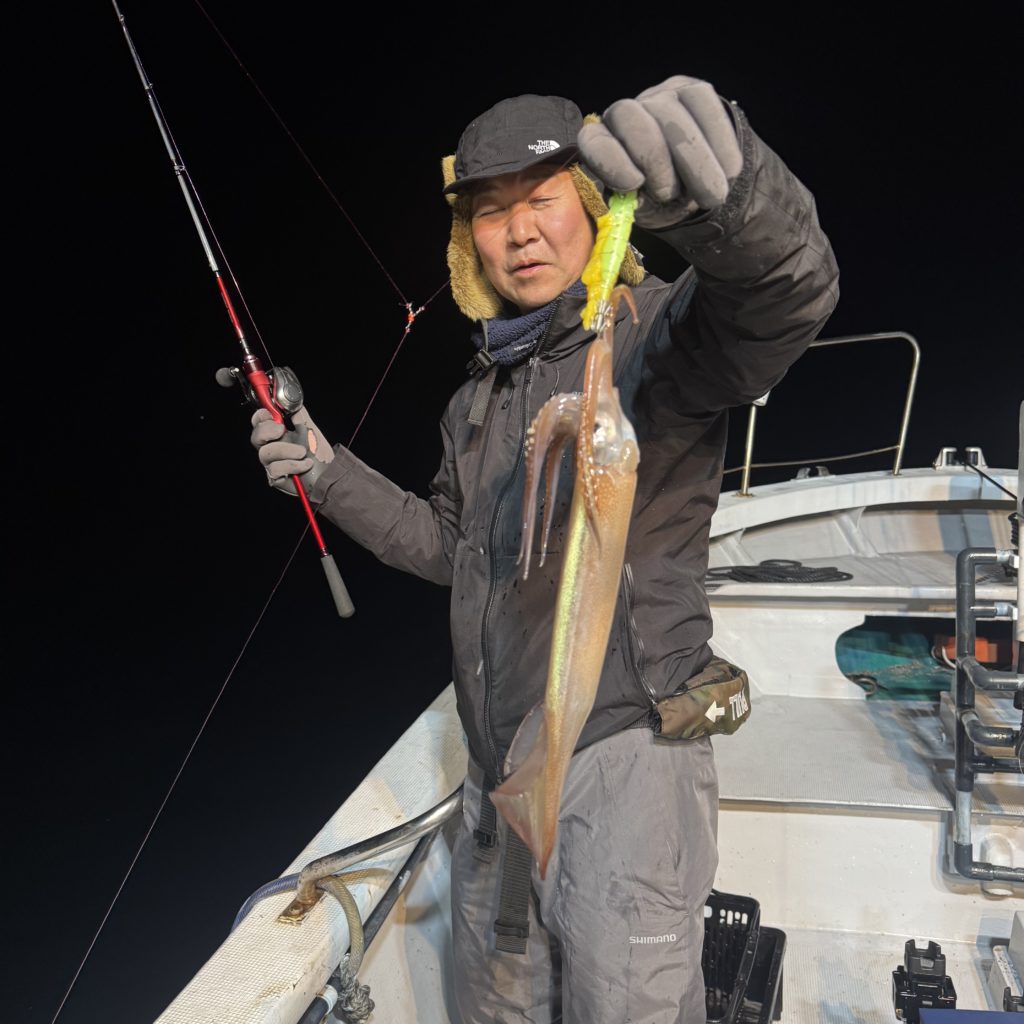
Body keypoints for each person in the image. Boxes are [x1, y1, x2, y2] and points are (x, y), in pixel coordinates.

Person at [252, 75, 838, 1023]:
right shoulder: (475, 403)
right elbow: (449, 546)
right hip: (500, 780)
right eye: (491, 213)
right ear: (468, 243)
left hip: (623, 766)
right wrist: (325, 469)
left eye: (543, 200)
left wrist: (728, 209)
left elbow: (780, 298)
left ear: (594, 208)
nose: (519, 232)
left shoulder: (654, 340)